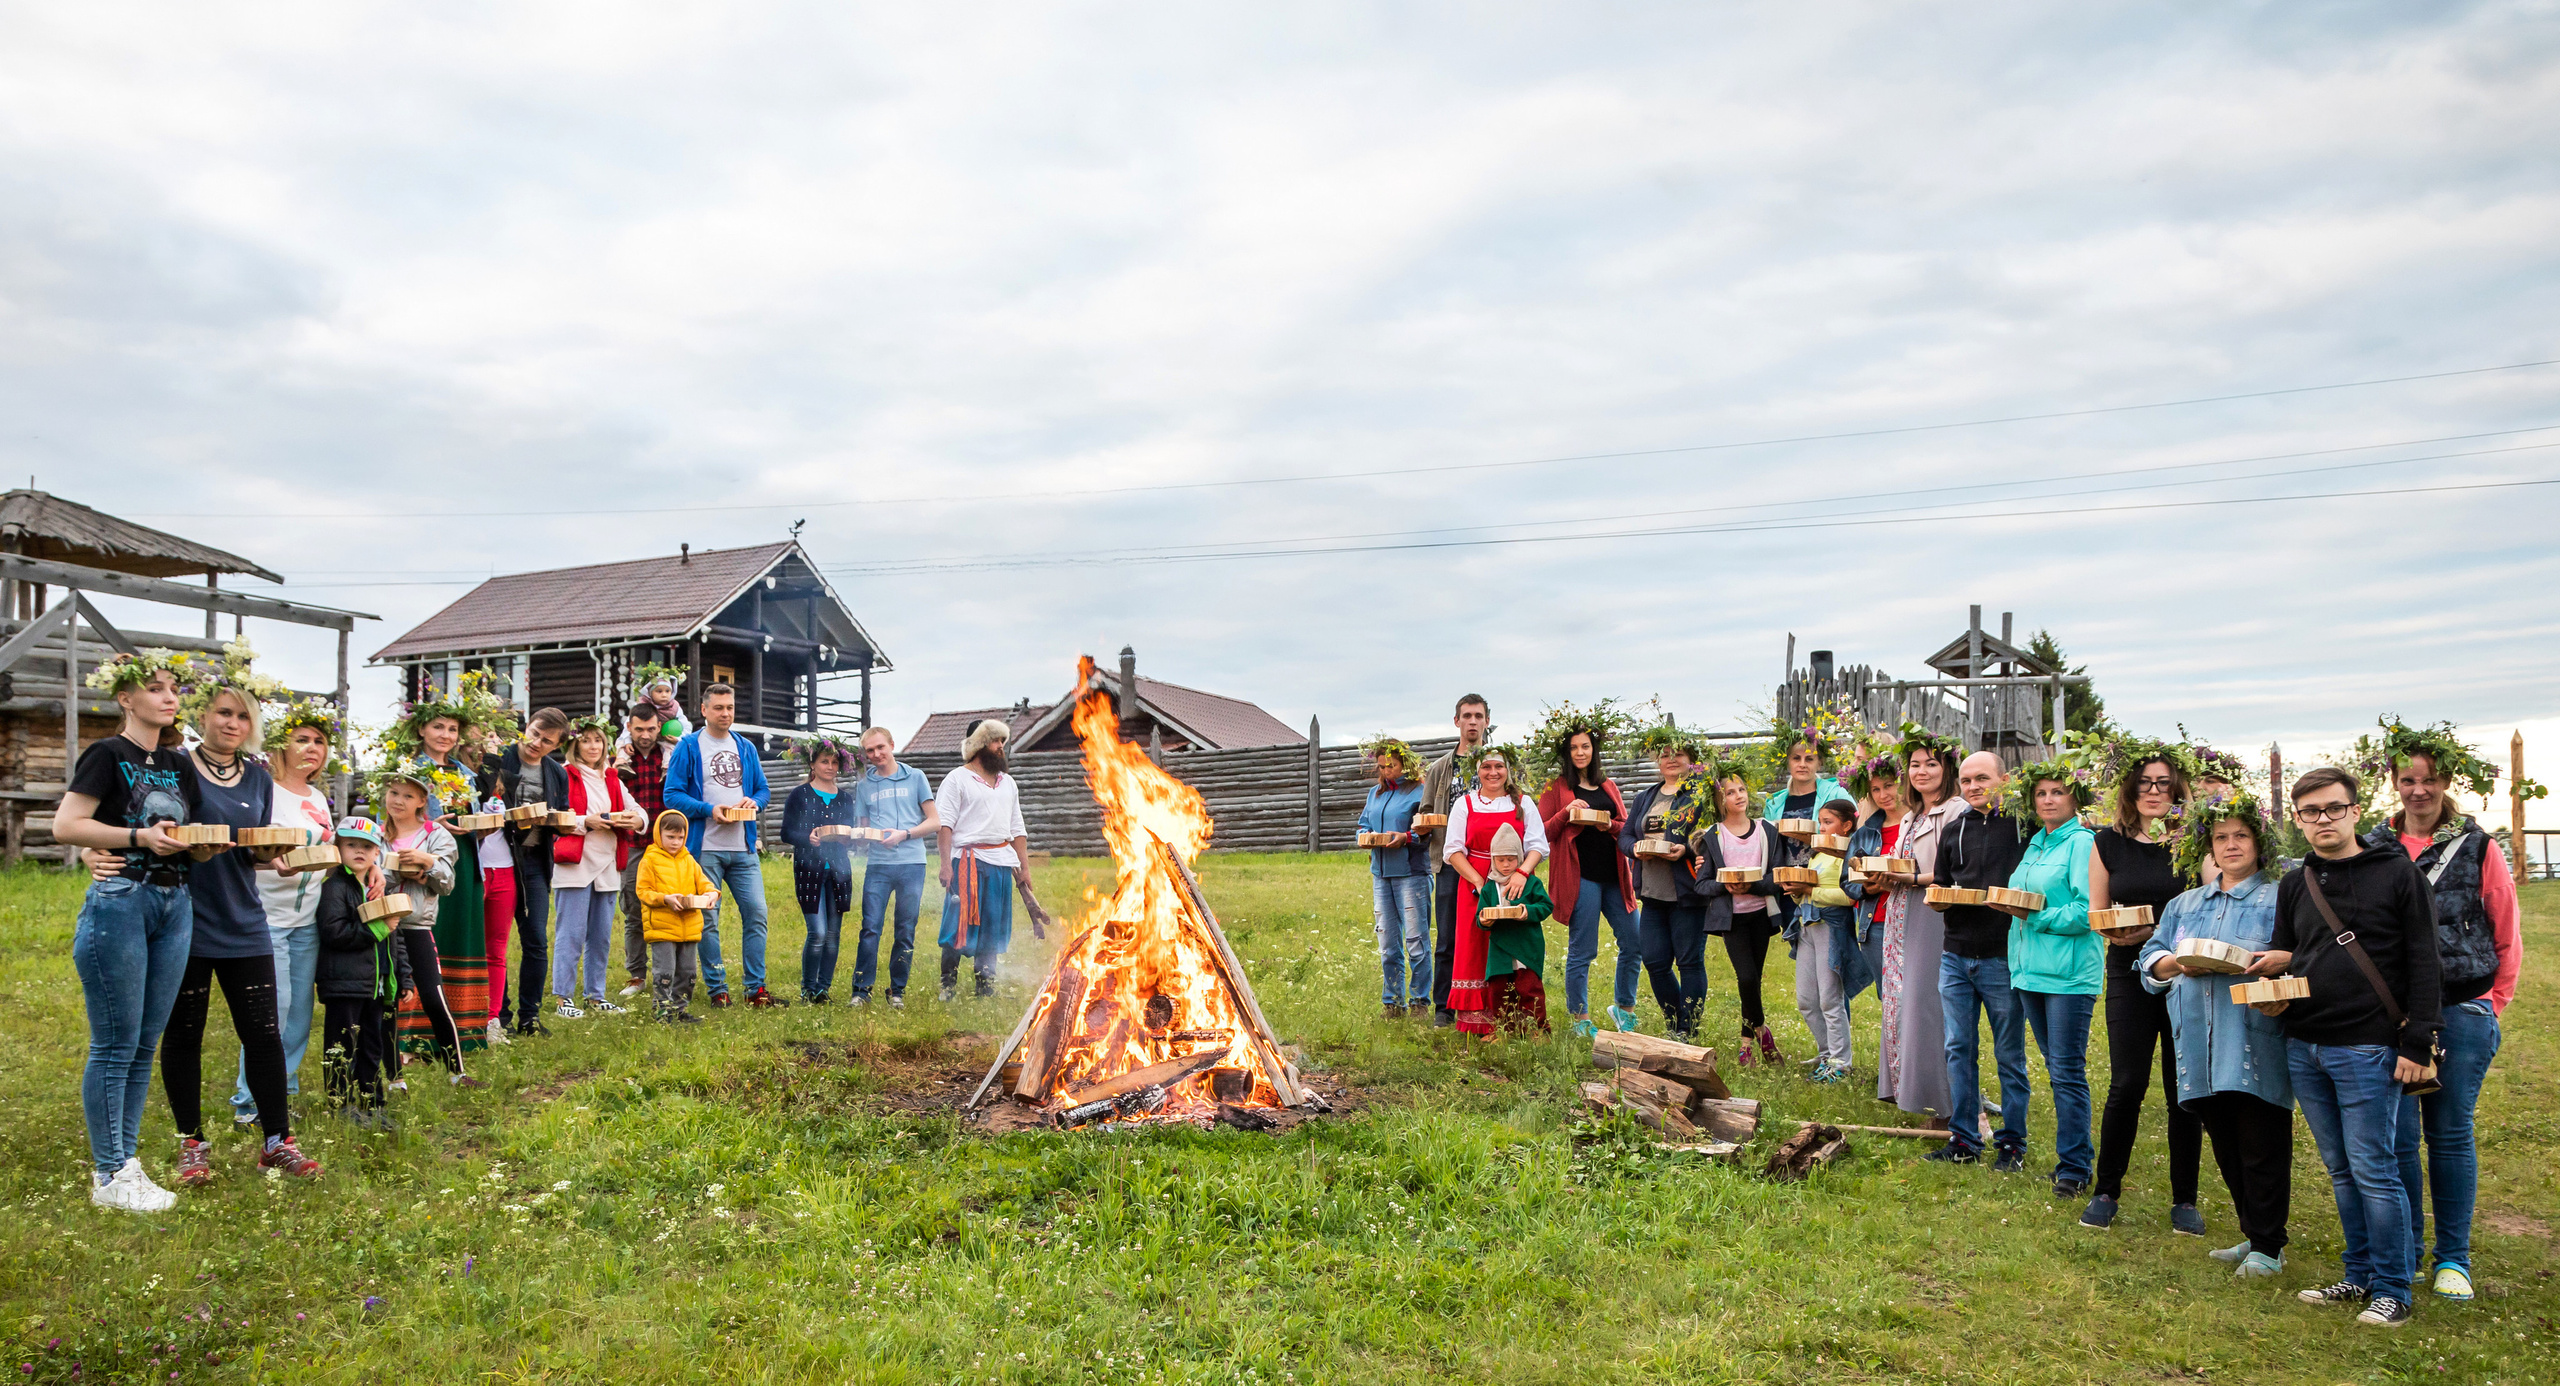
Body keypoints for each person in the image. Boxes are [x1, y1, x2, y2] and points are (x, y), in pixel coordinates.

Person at [2264, 766, 2441, 1329]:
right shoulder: (2297, 882)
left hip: (2367, 1046)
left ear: (2355, 811)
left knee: (2374, 1168)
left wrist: (2417, 1041)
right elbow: (2290, 951)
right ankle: (2359, 1272)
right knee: (2341, 1169)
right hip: (2305, 1043)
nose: (2323, 820)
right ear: (2298, 819)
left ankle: (2394, 1287)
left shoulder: (2396, 874)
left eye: (2333, 809)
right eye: (2311, 812)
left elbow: (2424, 961)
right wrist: (2269, 988)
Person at [2365, 721, 2526, 1303]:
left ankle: (2452, 1258)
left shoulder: (2478, 847)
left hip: (2462, 1006)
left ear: (2446, 781)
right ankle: (2404, 1250)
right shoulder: (2375, 844)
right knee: (2399, 1136)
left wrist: (2492, 1004)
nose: (2418, 791)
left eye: (2429, 779)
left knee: (2450, 1133)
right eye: (2408, 779)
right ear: (2394, 782)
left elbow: (2504, 929)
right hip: (2393, 1012)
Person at [159, 679, 320, 1185]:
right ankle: (192, 1143)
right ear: (203, 716)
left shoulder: (256, 777)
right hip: (185, 916)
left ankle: (277, 1141)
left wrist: (274, 858)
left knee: (263, 1033)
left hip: (244, 918)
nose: (232, 724)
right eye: (224, 713)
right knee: (185, 1033)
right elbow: (157, 832)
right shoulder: (176, 766)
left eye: (243, 717)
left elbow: (253, 847)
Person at [56, 655, 203, 1210]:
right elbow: (67, 824)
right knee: (115, 1043)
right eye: (155, 688)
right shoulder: (107, 754)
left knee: (144, 1043)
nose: (168, 697)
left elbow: (185, 829)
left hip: (175, 902)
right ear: (125, 698)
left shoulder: (177, 762)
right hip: (121, 900)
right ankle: (110, 1173)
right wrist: (134, 840)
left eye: (173, 689)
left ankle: (128, 1165)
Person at [2140, 792, 2294, 1279]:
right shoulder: (2185, 903)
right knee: (2222, 1134)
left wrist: (2280, 960)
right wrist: (2173, 962)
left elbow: (2303, 953)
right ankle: (2254, 1232)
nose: (2230, 845)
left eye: (2241, 836)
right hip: (2196, 1038)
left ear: (2259, 841)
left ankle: (2269, 1245)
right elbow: (2150, 959)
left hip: (2251, 1035)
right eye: (2221, 837)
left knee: (2259, 1136)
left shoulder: (2282, 897)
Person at [2083, 746, 2205, 1233]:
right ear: (2130, 788)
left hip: (2186, 972)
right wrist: (2117, 932)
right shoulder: (2106, 841)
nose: (2154, 791)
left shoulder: (2195, 842)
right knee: (2127, 1082)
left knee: (2183, 1088)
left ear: (2177, 789)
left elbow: (2207, 905)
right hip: (2128, 967)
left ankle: (2185, 1201)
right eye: (2145, 782)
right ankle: (2106, 1190)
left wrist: (2155, 927)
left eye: (2163, 782)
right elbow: (2098, 913)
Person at [226, 699, 339, 1127]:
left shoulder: (317, 797)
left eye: (320, 741)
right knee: (272, 1009)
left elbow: (326, 849)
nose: (313, 748)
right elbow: (241, 846)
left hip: (306, 918)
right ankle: (248, 1101)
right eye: (302, 740)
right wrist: (270, 854)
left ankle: (281, 1089)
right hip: (265, 915)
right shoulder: (262, 788)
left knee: (299, 1014)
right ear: (280, 746)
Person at [1996, 759, 2101, 1198]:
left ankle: (2076, 1167)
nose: (2048, 800)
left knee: (2066, 1071)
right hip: (2029, 971)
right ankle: (2071, 1157)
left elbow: (2087, 910)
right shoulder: (2037, 844)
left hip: (2068, 974)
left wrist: (2033, 914)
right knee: (2054, 1067)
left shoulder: (2083, 843)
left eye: (2057, 791)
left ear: (2074, 797)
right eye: (2041, 793)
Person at [1928, 751, 2032, 1169]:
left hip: (2002, 957)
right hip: (1954, 954)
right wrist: (1940, 899)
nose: (1973, 787)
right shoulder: (1954, 830)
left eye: (1983, 778)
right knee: (1958, 1046)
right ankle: (1965, 1139)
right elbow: (1939, 885)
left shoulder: (2022, 829)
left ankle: (2012, 1144)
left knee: (2009, 1054)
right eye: (1967, 780)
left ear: (2003, 780)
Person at [386, 693, 494, 1061]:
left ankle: (463, 1030)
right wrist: (435, 825)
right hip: (421, 861)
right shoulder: (408, 771)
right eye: (438, 727)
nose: (446, 734)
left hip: (461, 861)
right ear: (421, 729)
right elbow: (393, 819)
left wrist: (480, 828)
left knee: (461, 938)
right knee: (425, 940)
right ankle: (412, 1039)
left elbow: (473, 821)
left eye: (452, 729)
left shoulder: (466, 775)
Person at [1869, 732, 1966, 1126]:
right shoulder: (1912, 815)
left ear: (1947, 769)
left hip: (1933, 913)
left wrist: (1911, 879)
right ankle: (1908, 1090)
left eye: (1931, 763)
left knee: (1926, 1007)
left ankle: (1945, 1105)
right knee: (1900, 1000)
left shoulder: (1956, 811)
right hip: (1901, 912)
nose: (1922, 771)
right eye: (1915, 764)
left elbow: (1955, 871)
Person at [663, 684, 781, 1007]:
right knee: (709, 919)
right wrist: (708, 810)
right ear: (704, 710)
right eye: (718, 708)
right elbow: (671, 795)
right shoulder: (688, 747)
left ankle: (755, 989)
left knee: (757, 913)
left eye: (729, 707)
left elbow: (763, 791)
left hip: (743, 848)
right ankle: (718, 991)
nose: (725, 713)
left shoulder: (745, 747)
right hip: (705, 849)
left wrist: (752, 801)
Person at [374, 759, 484, 1089]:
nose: (397, 801)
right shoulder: (376, 834)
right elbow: (364, 876)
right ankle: (394, 1079)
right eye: (393, 793)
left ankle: (457, 1072)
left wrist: (425, 867)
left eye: (407, 796)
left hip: (417, 926)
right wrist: (392, 872)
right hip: (382, 927)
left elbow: (447, 883)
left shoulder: (435, 835)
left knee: (434, 998)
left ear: (423, 800)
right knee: (387, 1002)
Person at [934, 718, 1054, 998]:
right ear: (977, 744)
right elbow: (945, 825)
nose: (1001, 746)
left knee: (993, 925)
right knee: (958, 924)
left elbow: (1017, 829)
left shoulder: (1007, 783)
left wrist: (1024, 868)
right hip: (967, 862)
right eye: (995, 741)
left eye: (1002, 741)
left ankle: (985, 986)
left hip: (1001, 862)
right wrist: (944, 865)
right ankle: (947, 985)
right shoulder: (957, 779)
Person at [1535, 720, 1636, 1036]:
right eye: (1574, 747)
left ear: (1594, 750)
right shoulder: (1556, 788)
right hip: (1582, 878)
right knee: (1584, 949)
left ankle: (1624, 1010)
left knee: (1634, 942)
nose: (1580, 752)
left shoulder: (1608, 786)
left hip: (1615, 875)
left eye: (1586, 746)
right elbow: (1542, 833)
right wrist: (1567, 812)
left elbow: (1625, 827)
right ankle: (1580, 1019)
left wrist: (1609, 826)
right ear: (1567, 752)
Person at [1441, 747, 1549, 1037]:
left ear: (1508, 770)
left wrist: (1522, 874)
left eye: (1498, 766)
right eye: (1486, 766)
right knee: (1476, 947)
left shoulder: (1523, 803)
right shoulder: (1465, 804)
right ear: (1477, 771)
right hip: (1475, 882)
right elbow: (1452, 849)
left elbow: (1538, 845)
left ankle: (1518, 1017)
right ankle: (1479, 1021)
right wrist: (1479, 881)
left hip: (1516, 882)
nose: (1492, 772)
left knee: (1513, 942)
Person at [313, 818, 411, 1124]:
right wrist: (378, 928)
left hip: (376, 983)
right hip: (345, 983)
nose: (359, 851)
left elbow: (396, 936)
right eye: (351, 844)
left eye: (367, 846)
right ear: (337, 848)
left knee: (372, 1045)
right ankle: (340, 1104)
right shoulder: (334, 888)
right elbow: (334, 933)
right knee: (341, 1046)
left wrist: (404, 975)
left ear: (377, 852)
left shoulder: (376, 887)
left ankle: (372, 1103)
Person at [1618, 732, 1716, 1038]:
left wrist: (1685, 850)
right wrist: (1635, 849)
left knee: (1689, 961)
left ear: (1691, 758)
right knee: (1655, 961)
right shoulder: (1647, 796)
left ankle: (1688, 1029)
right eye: (1664, 754)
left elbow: (1712, 836)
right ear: (1656, 761)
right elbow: (1625, 836)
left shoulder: (1702, 794)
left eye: (1678, 753)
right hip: (1652, 894)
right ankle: (1677, 1023)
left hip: (1687, 894)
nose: (1670, 759)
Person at [1690, 768, 1790, 1064]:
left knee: (1753, 980)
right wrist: (1726, 886)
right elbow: (1702, 884)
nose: (1738, 796)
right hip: (1732, 919)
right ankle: (1762, 1031)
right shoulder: (1713, 836)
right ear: (1720, 800)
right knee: (1745, 976)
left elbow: (1778, 878)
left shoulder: (1767, 831)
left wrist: (1752, 886)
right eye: (1730, 792)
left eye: (1742, 790)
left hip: (1761, 915)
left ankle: (1746, 1041)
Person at [1782, 798, 1876, 1081]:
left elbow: (1850, 896)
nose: (1821, 827)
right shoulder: (1820, 853)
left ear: (1847, 826)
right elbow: (1808, 889)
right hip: (1808, 927)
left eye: (1828, 822)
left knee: (1830, 999)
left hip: (1832, 929)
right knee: (1806, 1000)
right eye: (1820, 822)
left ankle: (1840, 1062)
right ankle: (1825, 1053)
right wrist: (1797, 891)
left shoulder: (1848, 854)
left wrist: (1811, 890)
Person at [551, 717, 638, 1018]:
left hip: (608, 863)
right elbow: (553, 816)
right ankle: (563, 999)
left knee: (600, 936)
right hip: (575, 861)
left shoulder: (612, 777)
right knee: (571, 934)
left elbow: (639, 813)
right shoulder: (565, 774)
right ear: (574, 744)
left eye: (598, 740)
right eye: (585, 740)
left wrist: (633, 820)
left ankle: (595, 996)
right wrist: (584, 822)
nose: (592, 746)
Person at [491, 708, 569, 1035]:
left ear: (555, 747)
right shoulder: (498, 759)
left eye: (547, 741)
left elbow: (562, 816)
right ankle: (500, 1014)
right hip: (499, 858)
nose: (537, 743)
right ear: (527, 727)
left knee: (536, 940)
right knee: (496, 943)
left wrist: (554, 821)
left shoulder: (556, 773)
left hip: (535, 861)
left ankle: (530, 1016)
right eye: (535, 733)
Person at [851, 724, 938, 1007]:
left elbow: (934, 821)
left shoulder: (916, 777)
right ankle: (861, 992)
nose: (876, 754)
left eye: (880, 748)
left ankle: (897, 991)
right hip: (878, 865)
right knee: (870, 928)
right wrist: (858, 837)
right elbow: (862, 831)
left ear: (891, 745)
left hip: (912, 863)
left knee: (905, 928)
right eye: (870, 751)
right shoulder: (864, 786)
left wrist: (905, 834)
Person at [1420, 694, 1492, 1026]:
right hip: (1449, 863)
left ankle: (1488, 1003)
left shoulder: (1496, 765)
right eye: (1467, 716)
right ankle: (1444, 1008)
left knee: (1490, 933)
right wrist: (1423, 824)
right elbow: (1423, 813)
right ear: (1457, 722)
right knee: (1448, 937)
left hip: (1491, 863)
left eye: (1478, 715)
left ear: (1487, 721)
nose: (1473, 721)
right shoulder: (1439, 768)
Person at [1357, 738, 1433, 1019]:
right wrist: (1363, 838)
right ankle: (1392, 1003)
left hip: (1412, 874)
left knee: (1416, 941)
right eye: (1382, 766)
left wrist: (1407, 838)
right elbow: (1364, 824)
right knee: (1388, 943)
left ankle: (1419, 1002)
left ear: (1405, 764)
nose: (1387, 771)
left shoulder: (1420, 792)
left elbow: (1430, 831)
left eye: (1392, 765)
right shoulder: (1374, 794)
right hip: (1381, 875)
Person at [782, 735, 861, 1004]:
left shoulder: (845, 800)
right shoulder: (800, 795)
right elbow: (786, 832)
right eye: (824, 761)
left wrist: (847, 837)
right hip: (809, 870)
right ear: (812, 765)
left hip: (839, 870)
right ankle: (808, 988)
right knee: (817, 932)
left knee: (833, 934)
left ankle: (823, 989)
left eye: (834, 762)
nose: (830, 766)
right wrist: (808, 837)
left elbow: (849, 832)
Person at [634, 810, 716, 1023]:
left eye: (680, 837)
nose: (676, 842)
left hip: (689, 927)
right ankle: (662, 1011)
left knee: (688, 973)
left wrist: (711, 893)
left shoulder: (688, 860)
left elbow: (704, 882)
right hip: (662, 927)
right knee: (665, 972)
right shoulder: (649, 860)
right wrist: (665, 898)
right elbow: (643, 892)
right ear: (658, 834)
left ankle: (679, 1010)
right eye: (670, 837)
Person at [614, 700, 672, 1001]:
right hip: (633, 843)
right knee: (633, 910)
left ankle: (670, 973)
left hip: (666, 845)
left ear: (658, 727)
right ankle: (637, 975)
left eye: (651, 729)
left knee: (669, 908)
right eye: (639, 729)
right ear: (629, 728)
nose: (645, 735)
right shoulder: (621, 758)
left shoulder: (669, 755)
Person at [1473, 823, 1555, 1033]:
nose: (1506, 865)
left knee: (1530, 989)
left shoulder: (1531, 883)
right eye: (1501, 860)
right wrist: (1485, 920)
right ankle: (1504, 1031)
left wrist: (1526, 911)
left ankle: (1538, 1030)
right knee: (1499, 991)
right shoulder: (1489, 887)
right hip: (1500, 949)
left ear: (1519, 858)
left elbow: (1546, 906)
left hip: (1526, 946)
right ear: (1493, 860)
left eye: (1511, 859)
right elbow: (1480, 916)